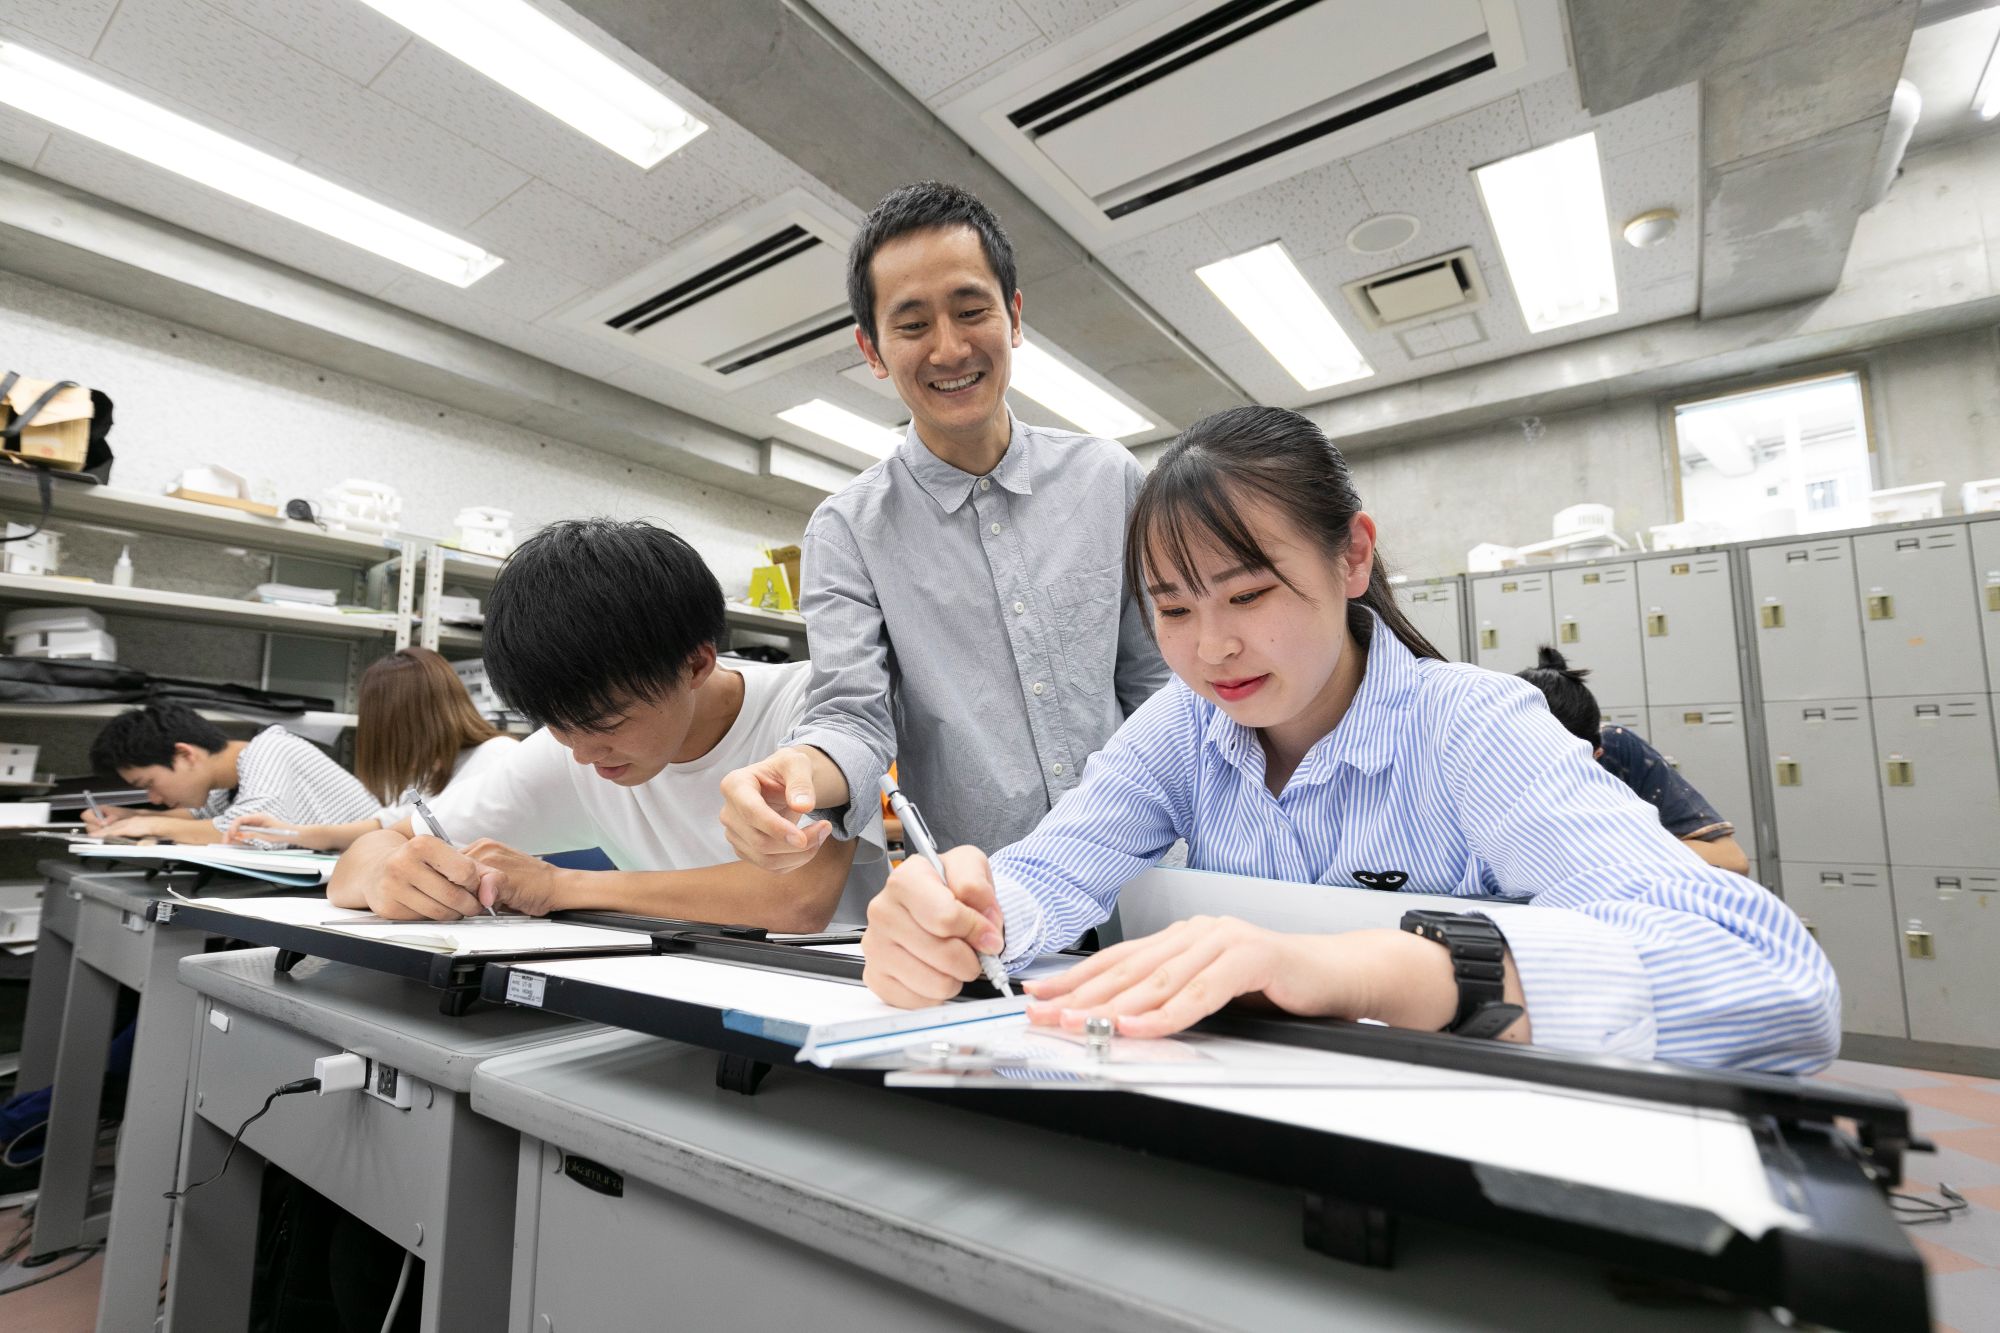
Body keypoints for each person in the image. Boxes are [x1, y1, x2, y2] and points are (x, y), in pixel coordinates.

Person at [858, 407, 1839, 1074]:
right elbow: (1053, 870)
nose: (1211, 648)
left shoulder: (1471, 730)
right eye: (1170, 607)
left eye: (1246, 593)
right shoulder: (1187, 725)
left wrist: (1395, 967)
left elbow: (1776, 982)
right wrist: (964, 912)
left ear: (1351, 556)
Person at [718, 181, 1170, 875]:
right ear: (872, 349)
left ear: (1013, 316)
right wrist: (794, 778)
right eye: (912, 324)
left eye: (970, 310)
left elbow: (1159, 682)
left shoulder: (1108, 478)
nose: (950, 348)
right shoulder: (847, 532)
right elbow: (852, 718)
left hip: (1147, 866)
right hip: (986, 898)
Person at [327, 519, 875, 929]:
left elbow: (797, 901)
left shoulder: (815, 706)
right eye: (557, 726)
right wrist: (389, 875)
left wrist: (561, 886)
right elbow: (370, 852)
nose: (583, 754)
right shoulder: (569, 744)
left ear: (695, 664)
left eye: (605, 722)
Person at [231, 648, 517, 851]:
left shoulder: (496, 756)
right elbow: (384, 826)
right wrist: (285, 832)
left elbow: (406, 831)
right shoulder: (434, 771)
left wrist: (290, 833)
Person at [1516, 647, 1751, 875]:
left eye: (1562, 769)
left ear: (1597, 755)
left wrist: (1610, 846)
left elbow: (1731, 860)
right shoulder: (1486, 761)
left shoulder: (1616, 750)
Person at [83, 702, 377, 843]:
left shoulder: (269, 749)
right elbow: (205, 818)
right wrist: (131, 818)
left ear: (185, 754)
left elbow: (252, 832)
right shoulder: (228, 778)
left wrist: (156, 826)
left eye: (150, 784)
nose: (155, 798)